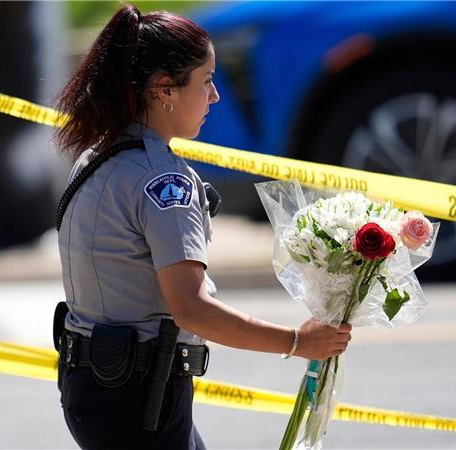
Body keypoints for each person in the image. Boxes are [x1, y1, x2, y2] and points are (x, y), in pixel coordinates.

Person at [53, 4, 352, 449]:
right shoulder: (164, 181)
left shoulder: (97, 155)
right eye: (206, 80)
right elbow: (192, 309)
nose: (215, 96)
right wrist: (296, 341)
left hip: (94, 387)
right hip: (140, 399)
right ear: (164, 90)